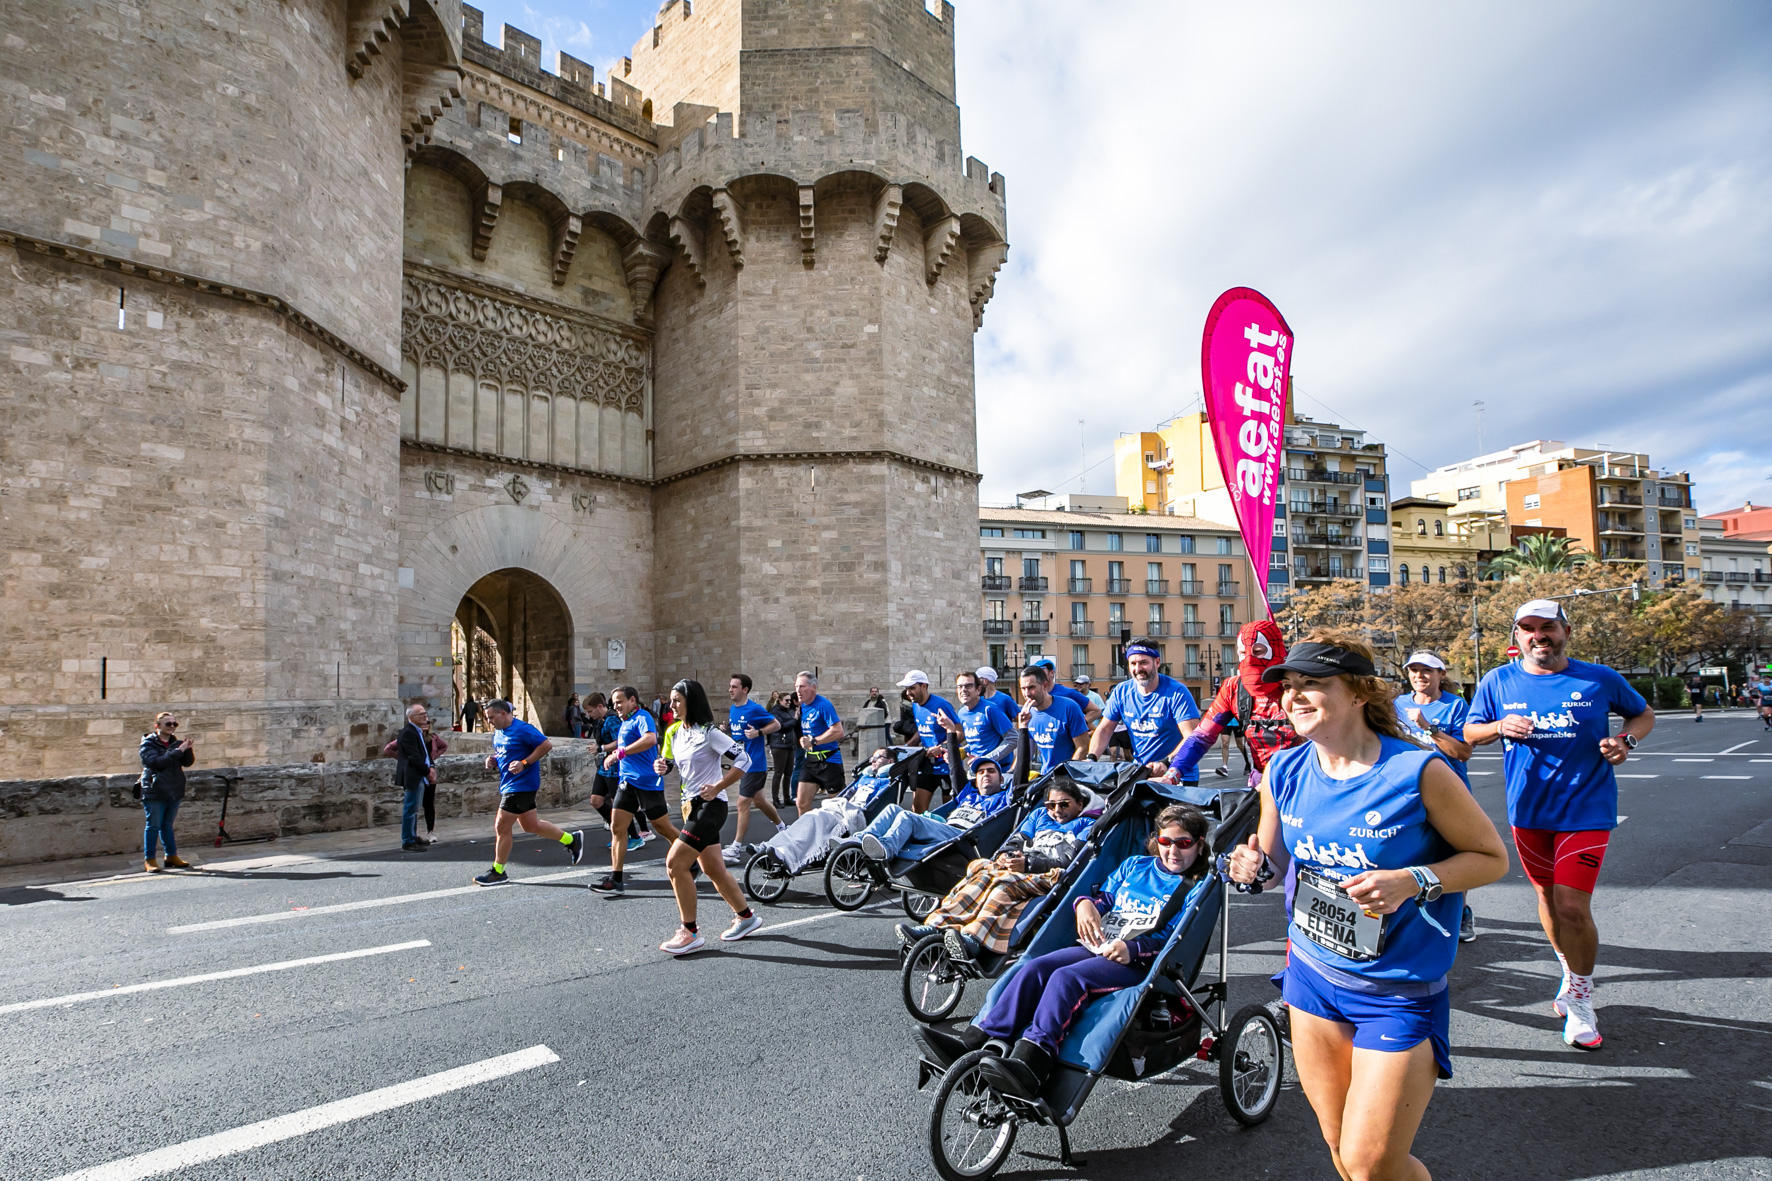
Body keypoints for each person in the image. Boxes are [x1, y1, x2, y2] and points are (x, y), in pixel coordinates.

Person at [1228, 632, 1509, 1181]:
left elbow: (1491, 858)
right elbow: (1274, 865)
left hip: (1397, 993)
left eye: (1312, 683)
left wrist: (1414, 880)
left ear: (1358, 692)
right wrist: (1251, 866)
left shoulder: (1418, 772)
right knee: (1340, 1149)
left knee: (1371, 1163)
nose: (1293, 696)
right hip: (1311, 979)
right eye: (1288, 685)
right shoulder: (1283, 770)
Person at [916, 804, 1211, 1095]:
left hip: (1139, 962)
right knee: (1035, 968)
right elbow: (1105, 899)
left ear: (1198, 845)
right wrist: (1085, 904)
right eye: (1165, 841)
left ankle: (1034, 1059)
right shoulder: (1136, 865)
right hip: (1101, 944)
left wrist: (1134, 949)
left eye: (1183, 843)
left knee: (1066, 979)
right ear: (1156, 840)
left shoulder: (1195, 886)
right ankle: (974, 1042)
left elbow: (1176, 937)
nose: (1173, 850)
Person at [1466, 599, 1655, 1051]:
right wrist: (1499, 726)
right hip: (1529, 811)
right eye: (1528, 628)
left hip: (1586, 809)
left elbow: (1642, 714)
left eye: (1547, 627)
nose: (1539, 636)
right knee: (1547, 899)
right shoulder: (1498, 680)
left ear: (1565, 631)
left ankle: (1582, 998)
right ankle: (1570, 973)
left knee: (1572, 906)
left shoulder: (1599, 678)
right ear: (1517, 636)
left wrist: (1625, 740)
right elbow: (1470, 733)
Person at [896, 776, 1097, 960]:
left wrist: (1027, 864)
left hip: (1049, 874)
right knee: (980, 872)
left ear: (1079, 804)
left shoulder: (1086, 823)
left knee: (1003, 883)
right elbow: (1016, 840)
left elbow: (1068, 860)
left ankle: (974, 939)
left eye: (1064, 804)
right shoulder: (1039, 815)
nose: (1057, 810)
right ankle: (936, 925)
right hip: (1021, 865)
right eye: (1051, 805)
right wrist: (1006, 855)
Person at [654, 680, 764, 953]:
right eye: (671, 700)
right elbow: (671, 764)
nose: (671, 705)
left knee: (675, 864)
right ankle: (746, 917)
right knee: (713, 869)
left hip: (710, 806)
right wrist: (663, 767)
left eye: (677, 700)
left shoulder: (709, 733)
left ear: (691, 702)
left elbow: (744, 759)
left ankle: (689, 932)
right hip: (689, 806)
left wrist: (719, 786)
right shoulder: (675, 731)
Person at [1393, 651, 1477, 943]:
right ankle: (1408, 916)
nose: (1419, 676)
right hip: (1407, 791)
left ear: (1441, 674)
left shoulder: (1455, 705)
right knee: (1407, 853)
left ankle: (1461, 912)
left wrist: (1429, 728)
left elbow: (1463, 752)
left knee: (1454, 856)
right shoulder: (1397, 705)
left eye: (1427, 670)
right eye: (1414, 670)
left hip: (1450, 792)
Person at [1164, 620, 1301, 787]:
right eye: (1243, 653)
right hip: (1263, 783)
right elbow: (1201, 736)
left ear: (1276, 649)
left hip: (1306, 780)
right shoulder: (1233, 688)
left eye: (1258, 651)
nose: (1249, 660)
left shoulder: (1298, 685)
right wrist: (1172, 774)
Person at [473, 699, 584, 886]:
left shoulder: (523, 729)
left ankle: (498, 871)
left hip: (521, 785)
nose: (489, 721)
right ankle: (571, 840)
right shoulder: (499, 733)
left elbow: (546, 745)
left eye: (491, 717)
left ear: (503, 713)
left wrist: (524, 763)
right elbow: (504, 753)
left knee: (501, 826)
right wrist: (492, 760)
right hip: (509, 784)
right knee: (531, 826)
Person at [591, 686, 681, 896]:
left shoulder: (643, 717)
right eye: (614, 703)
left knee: (663, 828)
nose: (616, 706)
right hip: (627, 783)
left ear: (632, 700)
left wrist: (619, 753)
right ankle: (616, 879)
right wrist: (615, 754)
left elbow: (650, 739)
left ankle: (692, 856)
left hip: (647, 782)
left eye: (619, 702)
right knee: (617, 827)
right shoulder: (625, 721)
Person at [857, 756, 1014, 863]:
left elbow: (1019, 777)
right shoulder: (968, 794)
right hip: (945, 826)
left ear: (1001, 779)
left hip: (965, 837)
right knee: (892, 809)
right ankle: (857, 842)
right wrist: (950, 732)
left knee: (907, 817)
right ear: (976, 779)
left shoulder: (1004, 798)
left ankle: (888, 847)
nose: (985, 774)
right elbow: (955, 770)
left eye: (991, 771)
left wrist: (1023, 729)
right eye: (981, 772)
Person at [1086, 640, 1200, 776]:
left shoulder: (1177, 692)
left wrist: (1166, 762)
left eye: (1143, 662)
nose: (1138, 669)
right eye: (1133, 663)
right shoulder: (1121, 691)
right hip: (1141, 771)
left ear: (1157, 662)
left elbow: (1191, 736)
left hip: (1177, 772)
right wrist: (1091, 758)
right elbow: (1105, 730)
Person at [727, 673, 784, 844]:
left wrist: (758, 732)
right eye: (730, 686)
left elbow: (776, 724)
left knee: (742, 802)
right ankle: (782, 827)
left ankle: (736, 846)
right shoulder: (733, 709)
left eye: (734, 687)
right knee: (759, 801)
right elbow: (738, 735)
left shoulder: (754, 709)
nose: (730, 690)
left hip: (754, 763)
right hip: (740, 763)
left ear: (745, 690)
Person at [138, 711, 195, 873]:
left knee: (167, 825)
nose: (171, 726)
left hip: (174, 789)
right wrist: (178, 751)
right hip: (155, 790)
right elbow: (155, 762)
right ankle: (150, 859)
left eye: (174, 724)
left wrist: (187, 750)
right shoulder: (148, 743)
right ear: (157, 726)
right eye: (168, 723)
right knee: (153, 825)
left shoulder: (176, 743)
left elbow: (187, 763)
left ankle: (171, 855)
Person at [899, 669, 962, 811]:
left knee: (950, 811)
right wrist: (908, 745)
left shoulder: (941, 705)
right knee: (917, 809)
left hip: (947, 766)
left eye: (912, 688)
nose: (908, 693)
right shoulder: (915, 705)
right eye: (906, 689)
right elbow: (923, 729)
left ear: (924, 686)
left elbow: (960, 733)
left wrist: (941, 748)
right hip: (927, 765)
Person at [940, 669, 1017, 778]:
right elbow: (978, 742)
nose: (963, 690)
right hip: (976, 771)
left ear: (978, 689)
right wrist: (959, 752)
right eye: (960, 686)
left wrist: (986, 759)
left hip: (997, 771)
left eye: (968, 686)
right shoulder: (962, 713)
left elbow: (1013, 738)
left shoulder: (990, 709)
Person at [1016, 665, 1090, 774]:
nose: (1027, 694)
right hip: (1045, 776)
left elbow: (1083, 747)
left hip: (1069, 777)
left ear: (1045, 685)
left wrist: (1065, 775)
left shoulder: (1069, 707)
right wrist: (1013, 772)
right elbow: (1027, 752)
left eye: (1031, 687)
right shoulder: (1028, 714)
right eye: (1023, 688)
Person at [389, 703, 443, 850]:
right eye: (421, 714)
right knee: (410, 808)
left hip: (420, 774)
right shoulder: (408, 733)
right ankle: (408, 840)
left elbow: (424, 753)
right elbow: (414, 756)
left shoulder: (417, 731)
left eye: (425, 713)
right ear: (412, 717)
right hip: (413, 775)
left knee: (414, 809)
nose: (425, 716)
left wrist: (431, 767)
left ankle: (413, 836)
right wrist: (427, 771)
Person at [795, 671, 847, 817]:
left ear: (814, 687)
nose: (798, 690)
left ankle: (843, 831)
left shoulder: (824, 705)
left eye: (802, 686)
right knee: (801, 803)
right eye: (796, 686)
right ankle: (806, 831)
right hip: (810, 761)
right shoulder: (803, 706)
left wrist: (813, 741)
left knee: (838, 806)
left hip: (829, 761)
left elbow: (838, 731)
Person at [1030, 656, 1101, 726]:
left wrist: (1078, 727)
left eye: (1041, 671)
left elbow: (1096, 711)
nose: (1037, 675)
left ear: (1052, 673)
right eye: (1035, 672)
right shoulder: (1033, 695)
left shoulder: (1067, 693)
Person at [768, 691, 800, 809]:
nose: (788, 702)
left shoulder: (790, 711)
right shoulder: (775, 711)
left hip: (790, 745)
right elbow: (781, 726)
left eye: (790, 700)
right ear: (780, 700)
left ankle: (787, 798)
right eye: (786, 700)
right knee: (778, 773)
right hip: (779, 745)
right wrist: (794, 719)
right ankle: (775, 799)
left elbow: (794, 725)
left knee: (788, 773)